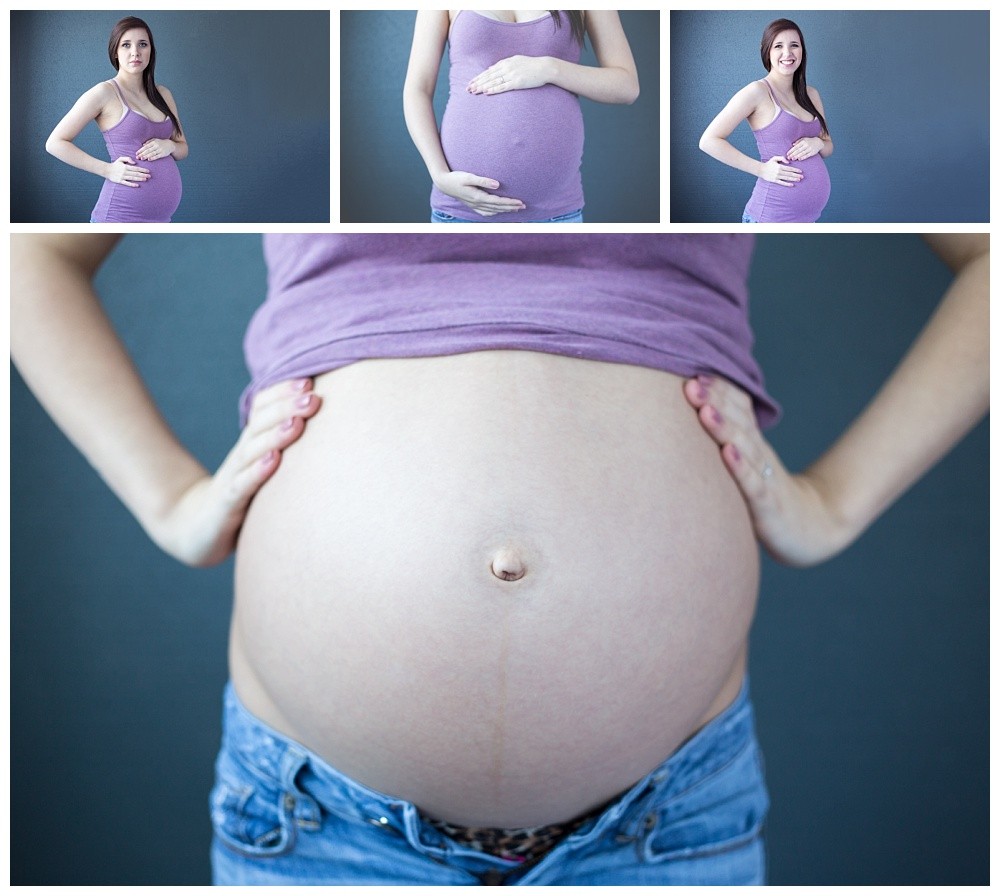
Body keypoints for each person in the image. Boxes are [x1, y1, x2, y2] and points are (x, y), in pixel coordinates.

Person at [10, 233, 988, 885]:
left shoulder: (716, 29)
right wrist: (170, 498)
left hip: (661, 825)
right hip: (326, 827)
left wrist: (836, 499)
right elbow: (32, 245)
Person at [403, 10, 639, 223]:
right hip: (460, 212)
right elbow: (417, 89)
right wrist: (439, 175)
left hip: (556, 216)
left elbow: (626, 86)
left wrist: (549, 69)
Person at [45, 16, 187, 223]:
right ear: (115, 51)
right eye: (126, 45)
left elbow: (183, 147)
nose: (135, 52)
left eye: (143, 44)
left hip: (162, 221)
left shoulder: (163, 94)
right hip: (118, 216)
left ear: (151, 51)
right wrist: (107, 170)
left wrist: (169, 146)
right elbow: (54, 143)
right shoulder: (104, 93)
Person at [699, 18, 832, 223]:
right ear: (767, 51)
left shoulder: (812, 95)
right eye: (778, 46)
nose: (787, 53)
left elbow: (828, 147)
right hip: (770, 218)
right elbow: (708, 141)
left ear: (802, 51)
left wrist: (818, 142)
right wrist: (761, 169)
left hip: (808, 221)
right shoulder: (757, 92)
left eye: (794, 45)